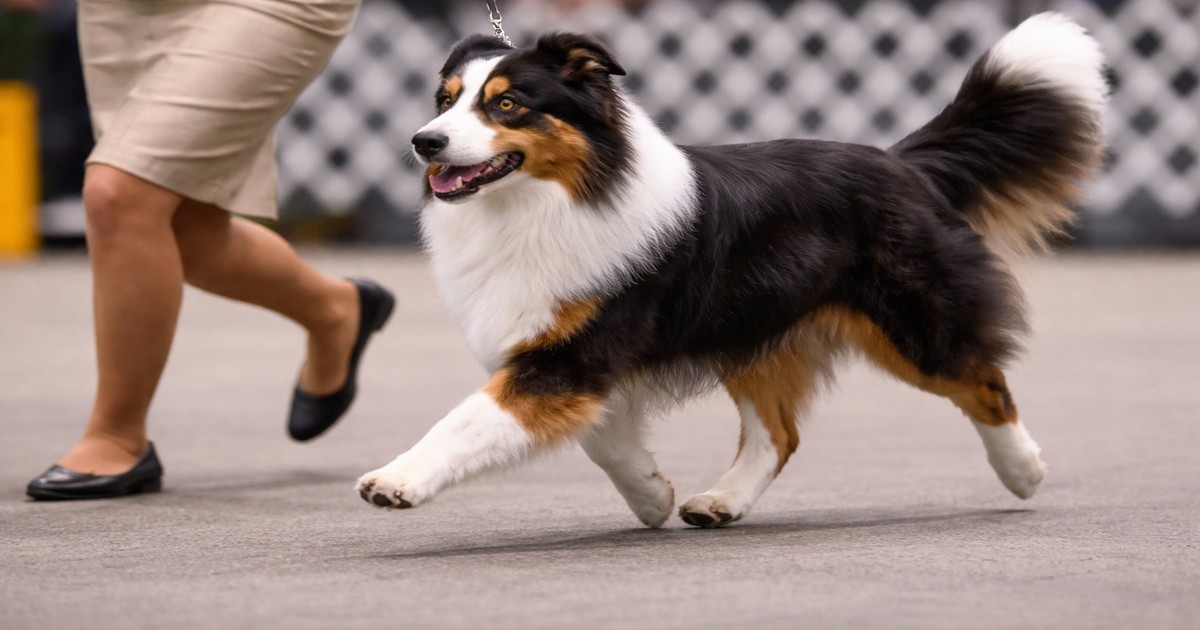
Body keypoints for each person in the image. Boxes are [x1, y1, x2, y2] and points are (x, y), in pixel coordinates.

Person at [25, 0, 393, 500]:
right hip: (127, 13)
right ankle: (335, 309)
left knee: (121, 192)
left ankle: (116, 434)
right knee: (186, 231)